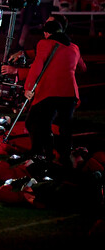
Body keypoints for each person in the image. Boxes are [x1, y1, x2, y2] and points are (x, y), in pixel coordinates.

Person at [23, 19, 86, 166]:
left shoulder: (44, 44)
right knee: (65, 126)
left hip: (49, 92)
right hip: (69, 93)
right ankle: (65, 157)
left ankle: (41, 152)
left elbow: (37, 67)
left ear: (46, 33)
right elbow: (82, 67)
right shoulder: (74, 47)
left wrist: (29, 87)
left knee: (35, 122)